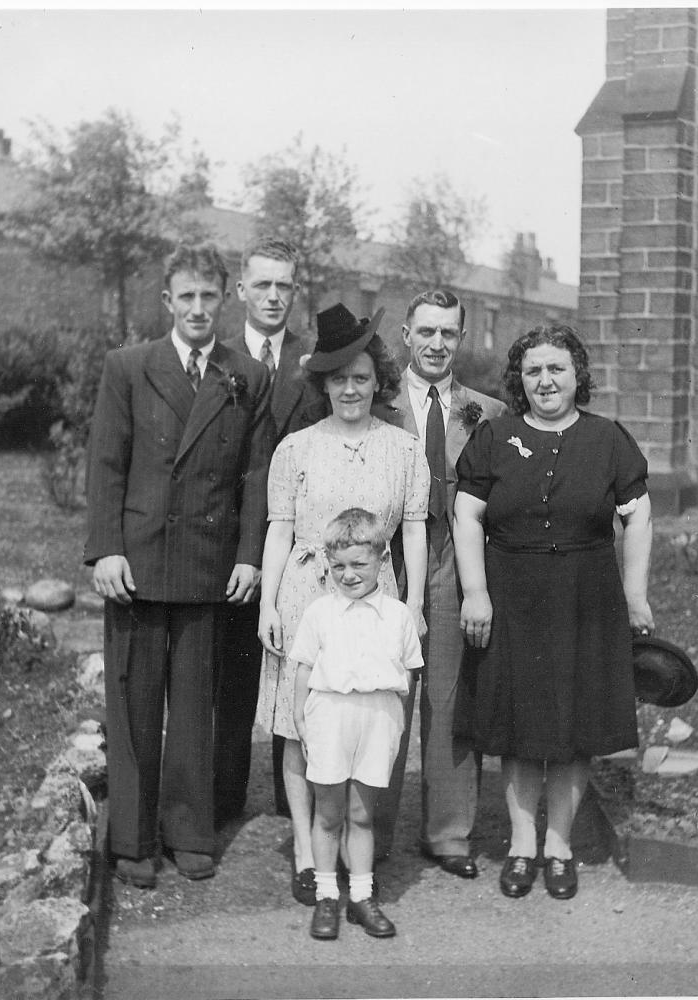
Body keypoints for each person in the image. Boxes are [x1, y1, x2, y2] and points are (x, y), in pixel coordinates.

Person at [84, 243, 272, 889]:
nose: (197, 308)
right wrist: (105, 547)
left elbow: (255, 474)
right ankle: (132, 839)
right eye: (185, 297)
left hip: (206, 568)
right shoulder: (129, 367)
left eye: (208, 296)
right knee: (134, 707)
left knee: (195, 709)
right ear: (167, 302)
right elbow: (106, 463)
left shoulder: (246, 374)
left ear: (225, 300)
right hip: (136, 565)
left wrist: (248, 556)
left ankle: (188, 832)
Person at [453, 324, 654, 901]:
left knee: (574, 728)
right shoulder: (493, 436)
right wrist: (475, 592)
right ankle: (521, 846)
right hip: (510, 592)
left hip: (585, 597)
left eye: (557, 369)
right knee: (518, 728)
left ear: (577, 375)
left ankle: (559, 846)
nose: (545, 380)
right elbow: (468, 517)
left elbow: (638, 515)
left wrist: (635, 594)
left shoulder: (609, 439)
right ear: (519, 379)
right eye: (534, 370)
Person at [257, 302, 429, 907]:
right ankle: (308, 854)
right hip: (306, 596)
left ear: (377, 379)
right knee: (303, 729)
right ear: (322, 384)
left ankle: (355, 847)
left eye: (360, 377)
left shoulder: (404, 449)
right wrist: (269, 607)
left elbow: (411, 530)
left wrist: (411, 603)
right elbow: (278, 529)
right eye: (338, 379)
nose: (350, 389)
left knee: (358, 720)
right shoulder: (295, 449)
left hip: (375, 601)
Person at [374, 289, 506, 877]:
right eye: (425, 332)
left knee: (449, 694)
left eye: (448, 333)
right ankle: (368, 830)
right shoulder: (375, 403)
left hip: (453, 558)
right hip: (385, 560)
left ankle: (448, 831)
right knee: (380, 691)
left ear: (461, 337)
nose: (436, 344)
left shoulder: (487, 412)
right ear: (406, 335)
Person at [214, 237, 325, 824]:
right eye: (263, 285)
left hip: (301, 545)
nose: (275, 296)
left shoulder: (316, 361)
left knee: (298, 666)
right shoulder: (218, 357)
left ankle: (295, 801)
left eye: (285, 285)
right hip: (233, 540)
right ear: (241, 291)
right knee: (231, 669)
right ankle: (225, 796)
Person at [291, 508, 423, 940]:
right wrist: (300, 715)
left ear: (383, 560)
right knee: (328, 814)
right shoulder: (319, 613)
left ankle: (362, 897)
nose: (348, 575)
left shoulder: (398, 615)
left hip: (377, 718)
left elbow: (406, 675)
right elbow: (304, 670)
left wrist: (393, 723)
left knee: (362, 814)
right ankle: (328, 896)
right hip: (330, 716)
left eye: (359, 565)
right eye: (338, 567)